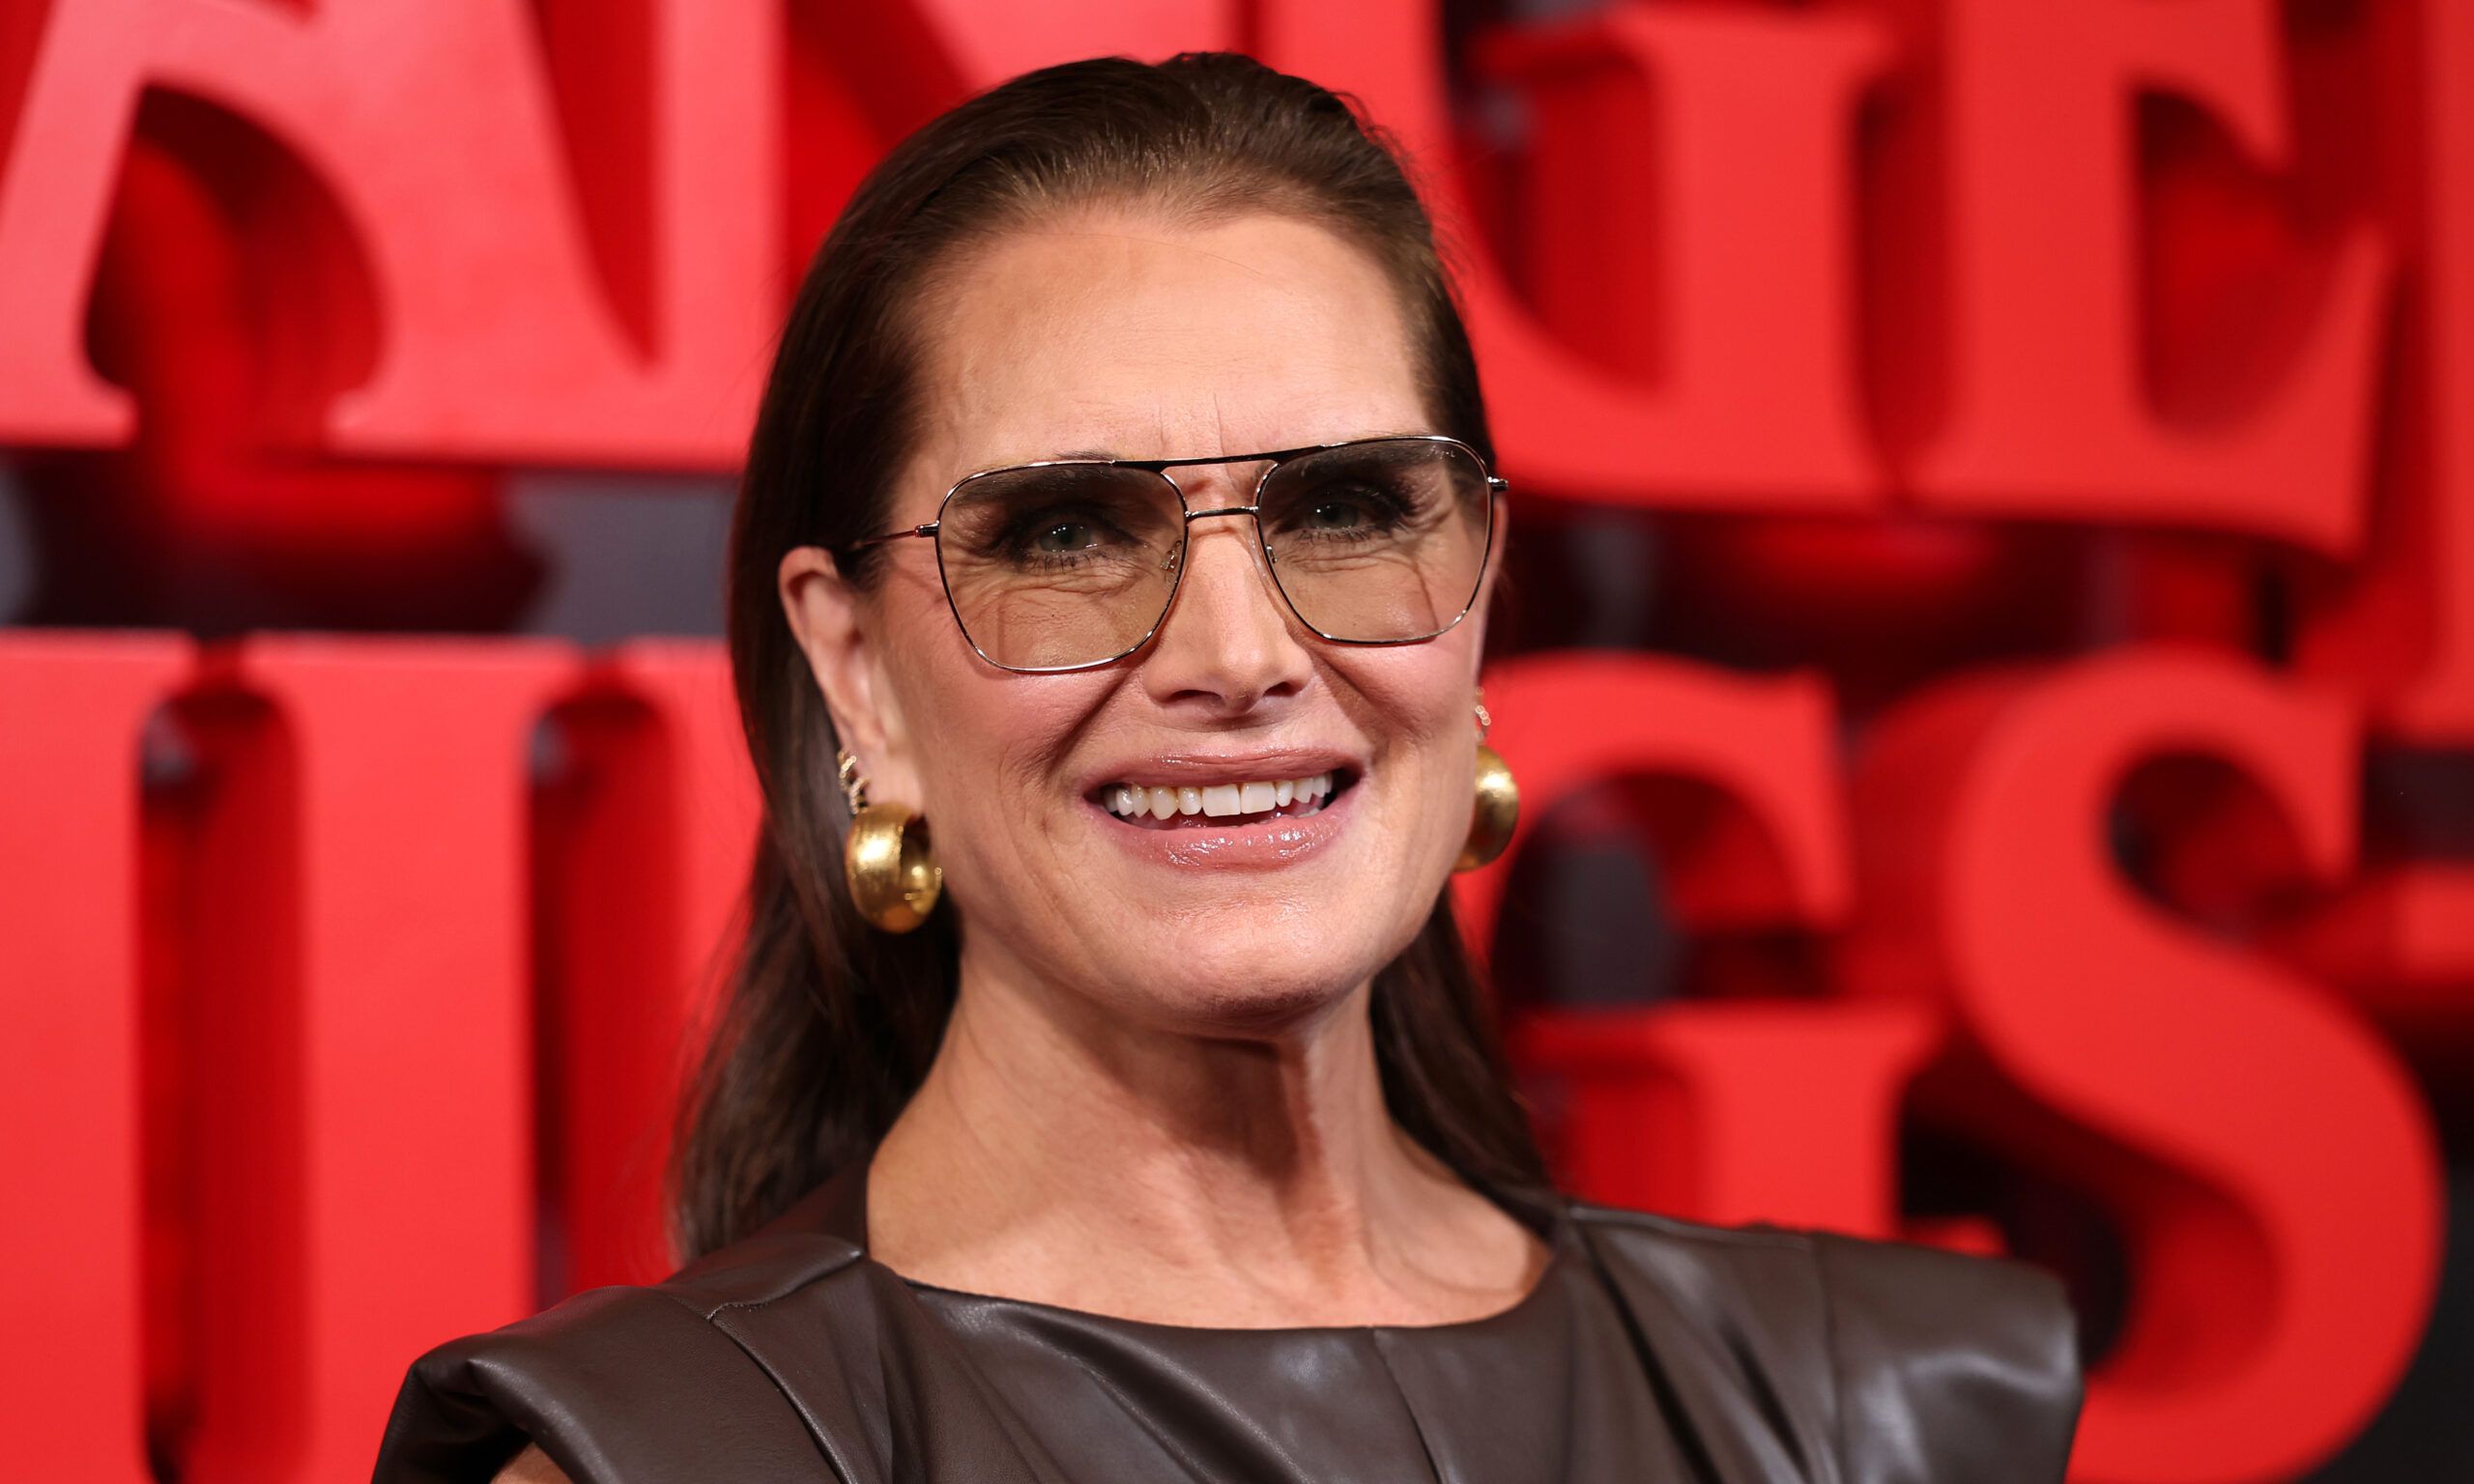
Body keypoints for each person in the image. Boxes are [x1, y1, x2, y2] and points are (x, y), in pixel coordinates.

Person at [371, 50, 2083, 1484]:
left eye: (1344, 510)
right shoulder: (680, 1459)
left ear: (1479, 590)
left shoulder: (1883, 1417)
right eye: (1063, 532)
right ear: (856, 674)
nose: (1242, 655)